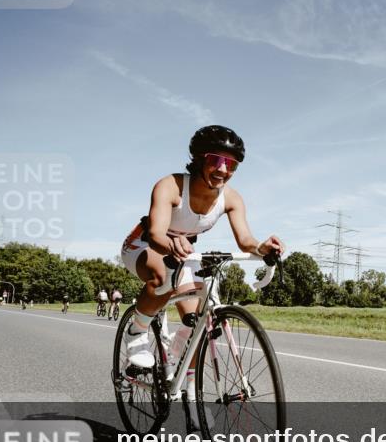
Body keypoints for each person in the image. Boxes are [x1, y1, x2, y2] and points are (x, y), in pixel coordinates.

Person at [119, 125, 284, 370]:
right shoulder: (171, 185)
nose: (222, 169)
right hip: (144, 245)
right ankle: (137, 331)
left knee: (196, 322)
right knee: (163, 277)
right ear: (198, 159)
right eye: (215, 160)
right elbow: (155, 234)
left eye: (231, 164)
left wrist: (263, 247)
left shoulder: (232, 198)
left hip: (183, 252)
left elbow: (246, 241)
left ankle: (180, 375)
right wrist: (170, 243)